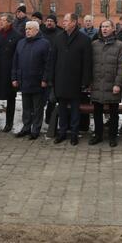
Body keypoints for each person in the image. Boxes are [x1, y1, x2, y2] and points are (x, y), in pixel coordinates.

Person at [48, 13, 92, 145]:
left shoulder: (84, 40)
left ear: (74, 22)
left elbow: (87, 63)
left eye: (66, 20)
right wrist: (51, 78)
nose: (64, 23)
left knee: (75, 109)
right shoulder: (58, 38)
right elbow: (52, 60)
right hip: (60, 79)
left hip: (75, 80)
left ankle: (74, 134)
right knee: (61, 108)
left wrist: (85, 81)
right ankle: (62, 132)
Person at [89, 20, 122, 147]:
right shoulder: (94, 44)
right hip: (97, 84)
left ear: (112, 29)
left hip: (112, 84)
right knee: (97, 111)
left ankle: (112, 136)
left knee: (113, 113)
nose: (104, 29)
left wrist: (118, 84)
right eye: (102, 26)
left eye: (107, 27)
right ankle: (98, 135)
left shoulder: (120, 45)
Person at [12, 21, 51, 139]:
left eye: (30, 29)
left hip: (38, 81)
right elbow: (15, 62)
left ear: (37, 30)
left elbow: (48, 64)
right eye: (26, 29)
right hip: (24, 80)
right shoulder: (20, 43)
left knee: (37, 108)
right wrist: (14, 77)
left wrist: (45, 79)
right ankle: (26, 127)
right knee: (26, 107)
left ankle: (36, 129)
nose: (27, 31)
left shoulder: (44, 43)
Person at [0, 14, 22, 133]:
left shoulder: (17, 36)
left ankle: (9, 123)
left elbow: (18, 54)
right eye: (1, 20)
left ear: (9, 22)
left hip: (9, 71)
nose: (1, 22)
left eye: (3, 20)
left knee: (10, 98)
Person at [41, 14, 63, 129]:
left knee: (52, 97)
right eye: (47, 20)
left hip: (55, 69)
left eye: (51, 21)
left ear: (55, 22)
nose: (49, 23)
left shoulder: (60, 34)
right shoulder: (41, 33)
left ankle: (50, 119)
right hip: (42, 69)